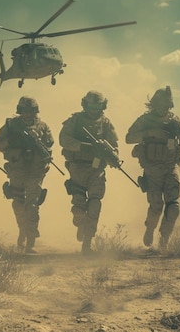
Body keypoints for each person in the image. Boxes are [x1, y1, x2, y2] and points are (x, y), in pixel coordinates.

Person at [125, 86, 180, 252]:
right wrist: (150, 133)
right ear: (153, 104)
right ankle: (150, 229)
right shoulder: (144, 120)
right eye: (160, 104)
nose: (164, 107)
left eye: (167, 104)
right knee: (156, 205)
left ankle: (165, 238)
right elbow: (129, 138)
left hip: (171, 166)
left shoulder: (174, 119)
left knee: (174, 205)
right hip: (152, 168)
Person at [59, 90, 118, 255]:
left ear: (102, 105)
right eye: (91, 105)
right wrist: (84, 146)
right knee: (78, 208)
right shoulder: (75, 120)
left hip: (96, 170)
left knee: (94, 204)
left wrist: (112, 157)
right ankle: (81, 225)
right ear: (85, 104)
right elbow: (63, 139)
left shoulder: (106, 123)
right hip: (77, 168)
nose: (94, 109)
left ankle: (87, 242)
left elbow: (114, 145)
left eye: (97, 105)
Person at [0, 96, 54, 254]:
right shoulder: (11, 125)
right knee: (18, 204)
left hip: (35, 172)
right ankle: (23, 230)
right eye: (25, 111)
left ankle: (31, 242)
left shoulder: (43, 127)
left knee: (32, 205)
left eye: (31, 111)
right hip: (17, 171)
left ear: (35, 111)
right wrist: (13, 141)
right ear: (20, 111)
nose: (28, 114)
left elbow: (49, 146)